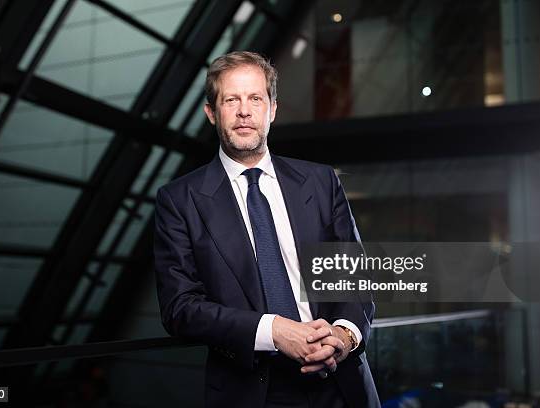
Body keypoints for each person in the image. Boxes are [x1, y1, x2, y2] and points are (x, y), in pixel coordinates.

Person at [154, 51, 379, 408]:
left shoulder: (320, 181)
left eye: (255, 98)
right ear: (211, 112)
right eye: (232, 99)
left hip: (341, 382)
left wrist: (343, 335)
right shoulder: (179, 200)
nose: (245, 111)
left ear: (272, 109)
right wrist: (273, 330)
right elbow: (180, 307)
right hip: (253, 392)